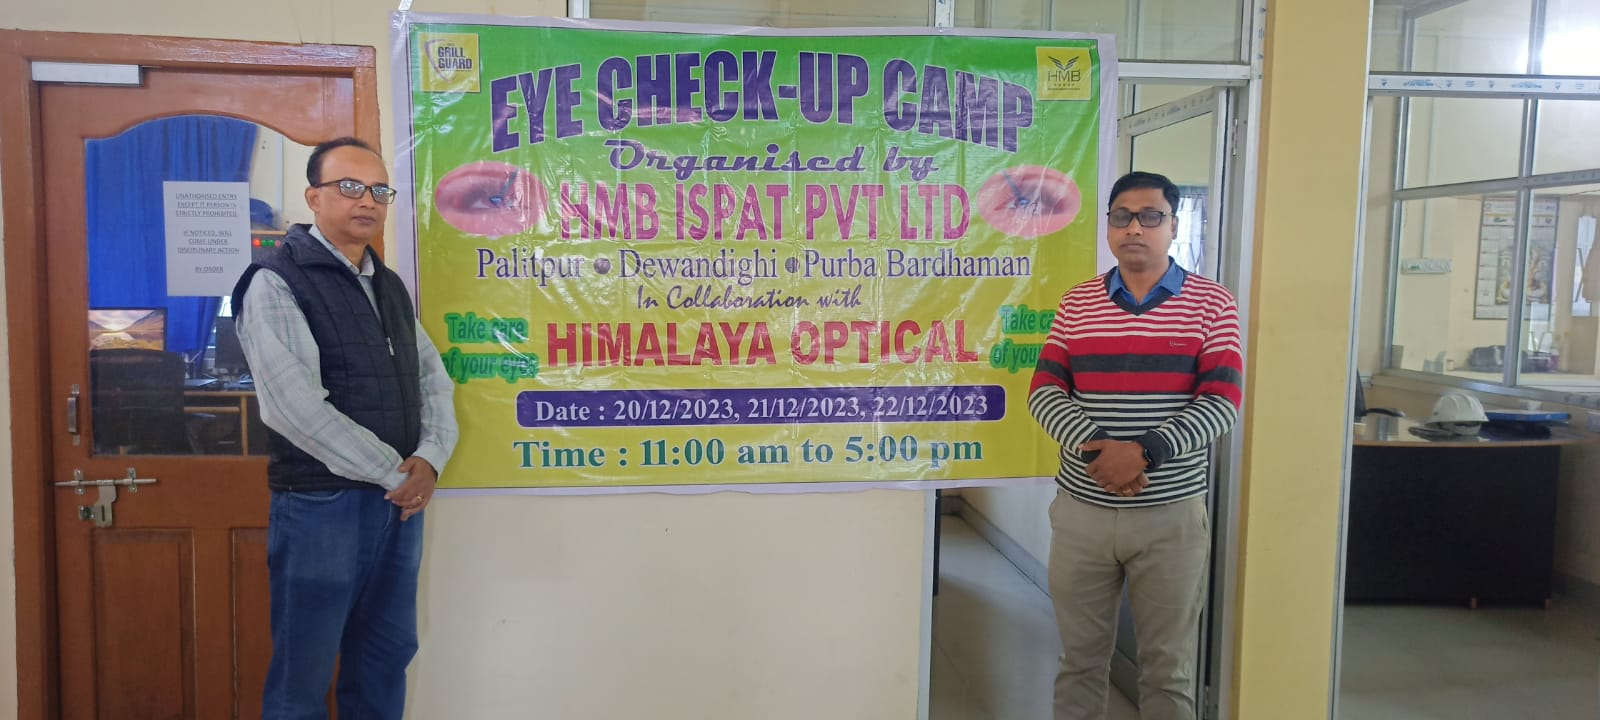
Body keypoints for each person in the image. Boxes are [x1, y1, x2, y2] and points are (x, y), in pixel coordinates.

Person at [233, 136, 458, 720]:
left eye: (379, 190)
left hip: (396, 507)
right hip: (321, 507)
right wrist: (397, 475)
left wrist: (431, 458)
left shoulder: (387, 284)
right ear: (314, 197)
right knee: (303, 677)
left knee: (385, 658)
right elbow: (293, 407)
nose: (367, 201)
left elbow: (431, 378)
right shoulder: (275, 280)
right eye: (350, 187)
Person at [1028, 171, 1243, 720]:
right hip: (1083, 514)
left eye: (1151, 216)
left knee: (1169, 670)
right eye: (1122, 216)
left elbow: (1222, 401)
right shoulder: (1077, 303)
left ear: (1173, 225)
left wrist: (1143, 452)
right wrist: (1104, 452)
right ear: (1108, 226)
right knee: (1079, 662)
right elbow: (1044, 392)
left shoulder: (1212, 304)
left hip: (1170, 517)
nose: (1134, 228)